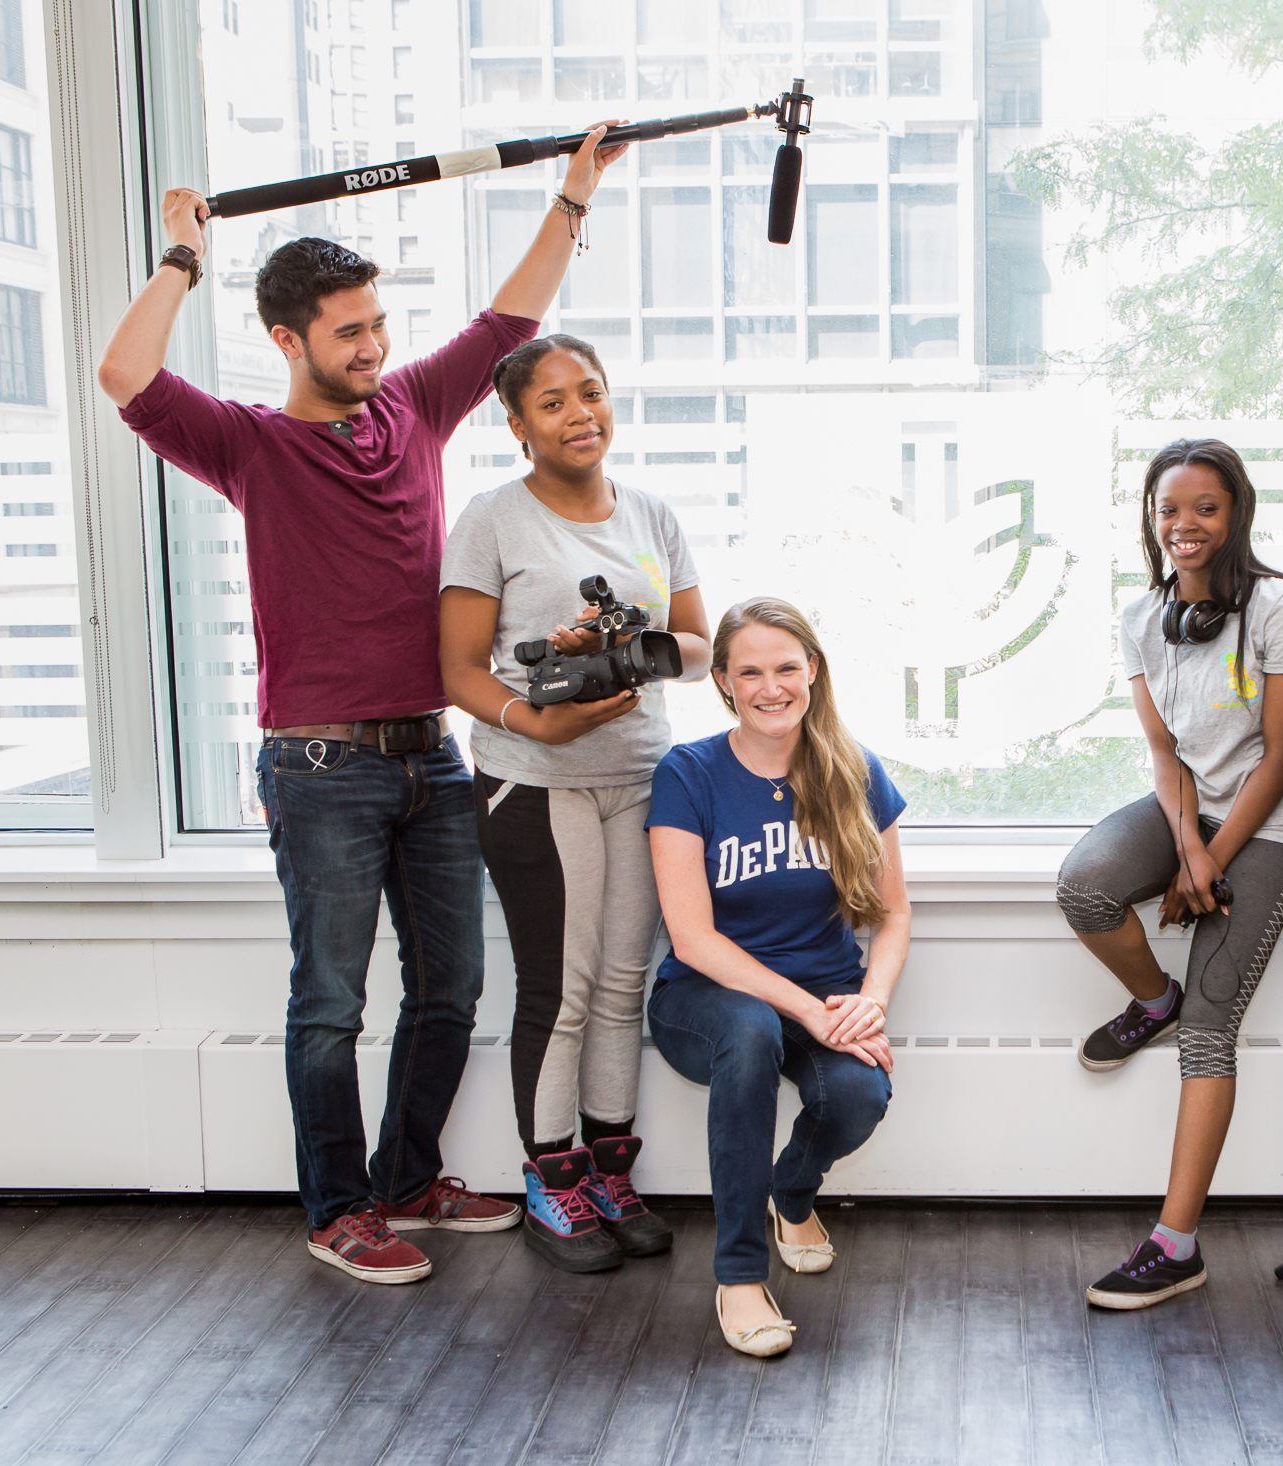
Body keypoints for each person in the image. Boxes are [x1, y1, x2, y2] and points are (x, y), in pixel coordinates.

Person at [96, 124, 632, 1284]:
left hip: (432, 754)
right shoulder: (248, 446)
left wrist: (573, 195)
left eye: (379, 325)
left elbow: (509, 323)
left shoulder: (410, 413)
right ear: (286, 339)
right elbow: (126, 375)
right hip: (319, 766)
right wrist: (181, 255)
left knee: (455, 986)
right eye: (348, 333)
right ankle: (338, 1208)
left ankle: (406, 1178)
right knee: (331, 1000)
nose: (375, 348)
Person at [438, 334, 709, 1273]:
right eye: (551, 403)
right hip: (535, 777)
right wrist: (533, 710)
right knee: (564, 990)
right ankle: (552, 1178)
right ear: (518, 427)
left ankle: (608, 1168)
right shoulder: (492, 520)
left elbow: (699, 645)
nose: (578, 412)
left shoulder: (651, 513)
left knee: (623, 984)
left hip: (641, 774)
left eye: (589, 392)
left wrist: (631, 636)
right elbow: (458, 671)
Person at [1055, 438, 1283, 1311]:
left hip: (1272, 822)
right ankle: (1151, 1002)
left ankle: (1176, 1246)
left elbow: (1282, 757)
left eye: (1204, 507)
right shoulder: (1143, 617)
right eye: (1169, 509)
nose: (1184, 525)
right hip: (1191, 810)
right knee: (1085, 885)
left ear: (1235, 512)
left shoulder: (1281, 609)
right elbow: (1165, 751)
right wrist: (1189, 844)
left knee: (1213, 1027)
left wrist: (1217, 854)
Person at [646, 598, 909, 1357]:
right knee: (752, 1026)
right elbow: (693, 938)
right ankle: (738, 1277)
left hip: (826, 992)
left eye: (786, 667)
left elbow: (893, 915)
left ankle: (790, 1194)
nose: (771, 686)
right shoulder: (688, 772)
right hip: (708, 999)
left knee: (859, 1095)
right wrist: (811, 1011)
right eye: (749, 671)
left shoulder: (853, 769)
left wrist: (868, 1003)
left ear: (813, 672)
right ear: (723, 682)